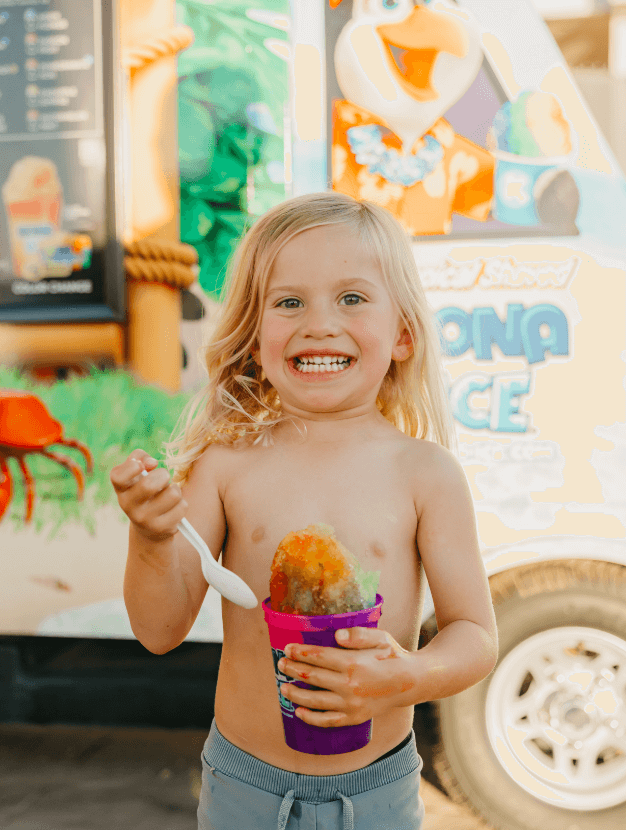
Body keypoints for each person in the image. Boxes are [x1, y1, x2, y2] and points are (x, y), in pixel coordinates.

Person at [110, 191, 498, 830]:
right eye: (289, 302)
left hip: (378, 792)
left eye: (351, 298)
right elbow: (159, 630)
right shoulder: (225, 465)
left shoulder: (425, 475)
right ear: (254, 338)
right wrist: (150, 538)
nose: (319, 323)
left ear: (402, 332)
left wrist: (407, 675)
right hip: (245, 788)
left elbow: (475, 637)